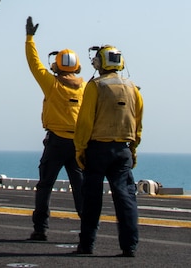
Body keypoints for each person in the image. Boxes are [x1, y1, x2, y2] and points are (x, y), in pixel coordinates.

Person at [72, 44, 143, 258]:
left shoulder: (95, 86)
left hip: (97, 149)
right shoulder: (132, 88)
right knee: (126, 198)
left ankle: (87, 245)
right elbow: (137, 122)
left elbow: (84, 121)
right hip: (123, 150)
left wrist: (80, 148)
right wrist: (133, 148)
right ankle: (129, 246)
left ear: (100, 62)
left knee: (92, 199)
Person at [24, 16, 85, 242]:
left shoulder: (52, 84)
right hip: (78, 145)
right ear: (77, 66)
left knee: (45, 186)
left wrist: (30, 38)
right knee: (80, 189)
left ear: (57, 65)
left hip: (56, 143)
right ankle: (87, 230)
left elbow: (34, 64)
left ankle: (40, 229)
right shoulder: (86, 88)